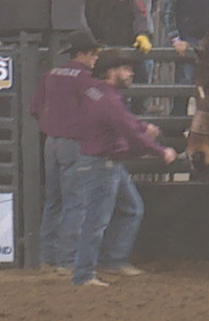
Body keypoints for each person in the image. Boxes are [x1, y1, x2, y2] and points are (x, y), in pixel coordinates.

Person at [67, 47, 178, 287]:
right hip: (103, 164)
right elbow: (127, 129)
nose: (130, 73)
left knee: (130, 208)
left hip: (104, 162)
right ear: (111, 71)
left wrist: (140, 128)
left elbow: (122, 122)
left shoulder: (97, 93)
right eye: (125, 69)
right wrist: (161, 152)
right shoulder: (109, 100)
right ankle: (84, 274)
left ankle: (112, 260)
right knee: (98, 221)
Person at [30, 30, 104, 273]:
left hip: (51, 142)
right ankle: (67, 260)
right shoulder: (85, 80)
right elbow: (99, 110)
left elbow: (35, 108)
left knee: (54, 201)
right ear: (82, 54)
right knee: (76, 202)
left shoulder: (51, 75)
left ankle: (47, 257)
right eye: (92, 54)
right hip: (73, 143)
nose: (95, 58)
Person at [117, 0, 160, 112]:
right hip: (120, 34)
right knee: (120, 82)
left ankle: (140, 116)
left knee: (144, 77)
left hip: (144, 36)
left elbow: (155, 3)